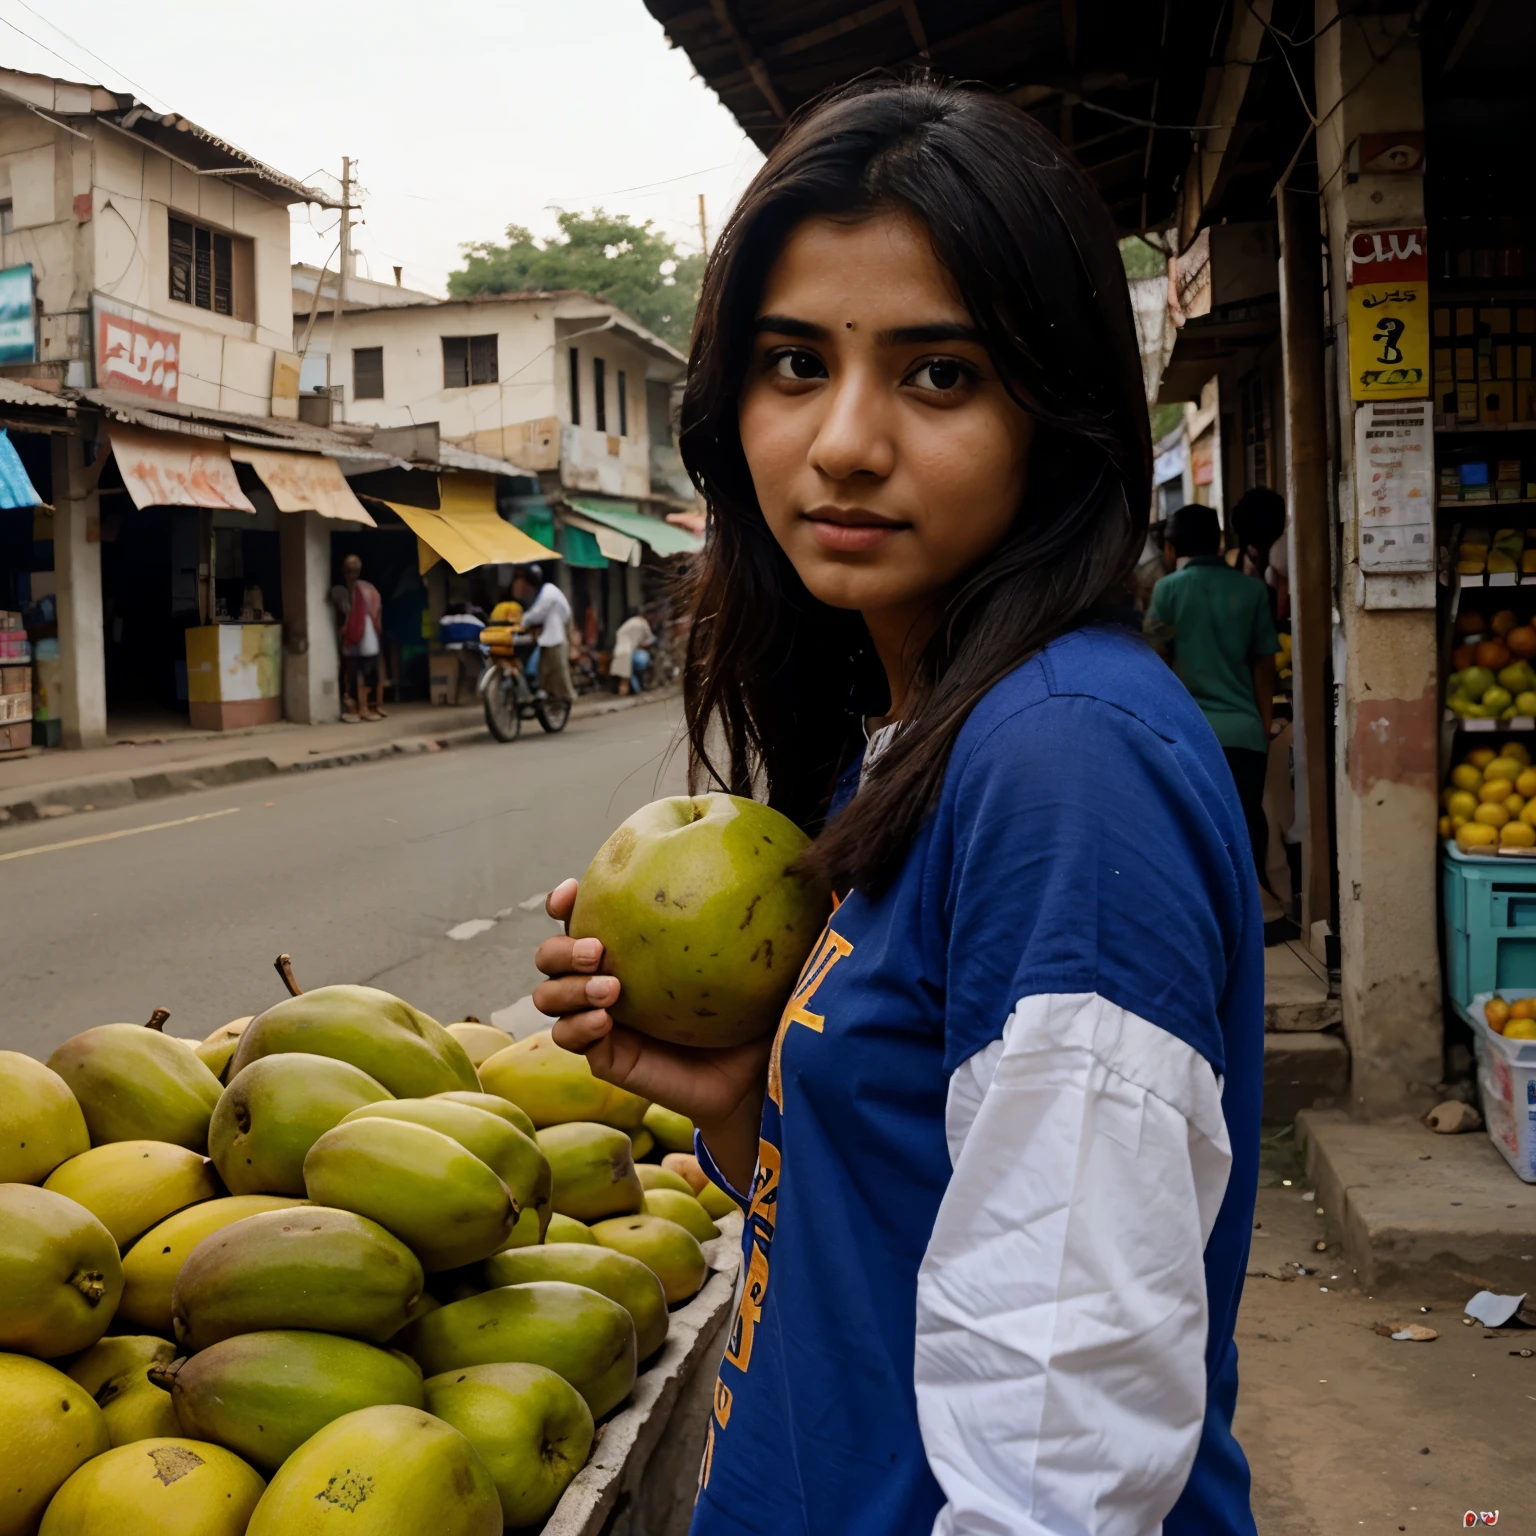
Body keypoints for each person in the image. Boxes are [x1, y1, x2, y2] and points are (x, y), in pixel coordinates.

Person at [533, 79, 1262, 1536]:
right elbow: (892, 1243)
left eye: (939, 375)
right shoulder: (926, 737)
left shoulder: (1066, 767)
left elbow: (1059, 1466)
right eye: (794, 364)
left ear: (1053, 414)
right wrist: (743, 1108)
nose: (845, 442)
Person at [1145, 503, 1278, 882]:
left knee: (1194, 833)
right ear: (1220, 542)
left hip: (1187, 734)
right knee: (1246, 823)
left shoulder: (1167, 590)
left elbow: (1156, 661)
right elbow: (1264, 667)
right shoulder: (1252, 591)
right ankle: (1255, 906)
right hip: (1245, 733)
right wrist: (1263, 725)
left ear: (1171, 549)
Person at [330, 553, 384, 723]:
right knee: (357, 672)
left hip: (361, 636)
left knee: (361, 673)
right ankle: (358, 707)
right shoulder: (349, 590)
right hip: (359, 636)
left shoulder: (357, 590)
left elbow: (375, 611)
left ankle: (361, 707)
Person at [512, 565, 573, 704]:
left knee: (552, 666)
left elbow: (537, 613)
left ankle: (558, 694)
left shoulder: (548, 592)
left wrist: (521, 623)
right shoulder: (530, 596)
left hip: (554, 633)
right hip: (539, 633)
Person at [609, 608, 656, 696]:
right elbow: (650, 640)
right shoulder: (643, 623)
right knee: (628, 675)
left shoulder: (630, 622)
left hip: (619, 650)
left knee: (624, 676)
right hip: (629, 652)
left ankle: (632, 690)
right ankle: (636, 690)